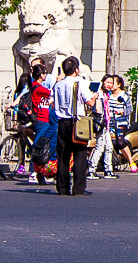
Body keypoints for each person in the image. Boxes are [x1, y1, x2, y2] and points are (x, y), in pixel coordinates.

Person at [51, 55, 96, 196]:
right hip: (77, 121)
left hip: (62, 121)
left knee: (63, 156)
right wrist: (94, 95)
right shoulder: (79, 82)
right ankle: (78, 188)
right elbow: (90, 103)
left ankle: (62, 187)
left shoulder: (58, 84)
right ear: (76, 70)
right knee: (79, 155)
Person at [25, 63, 55, 184]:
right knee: (38, 146)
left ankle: (40, 173)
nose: (46, 76)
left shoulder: (37, 86)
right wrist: (58, 82)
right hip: (41, 119)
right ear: (41, 75)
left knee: (42, 145)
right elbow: (51, 92)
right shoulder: (37, 87)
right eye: (44, 73)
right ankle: (33, 172)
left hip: (45, 118)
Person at [87, 74, 121, 179]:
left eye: (111, 83)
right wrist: (100, 119)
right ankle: (91, 170)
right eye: (107, 82)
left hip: (105, 123)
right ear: (103, 82)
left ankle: (108, 170)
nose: (109, 85)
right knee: (100, 147)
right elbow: (97, 108)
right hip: (101, 123)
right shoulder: (100, 93)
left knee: (109, 147)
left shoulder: (107, 94)